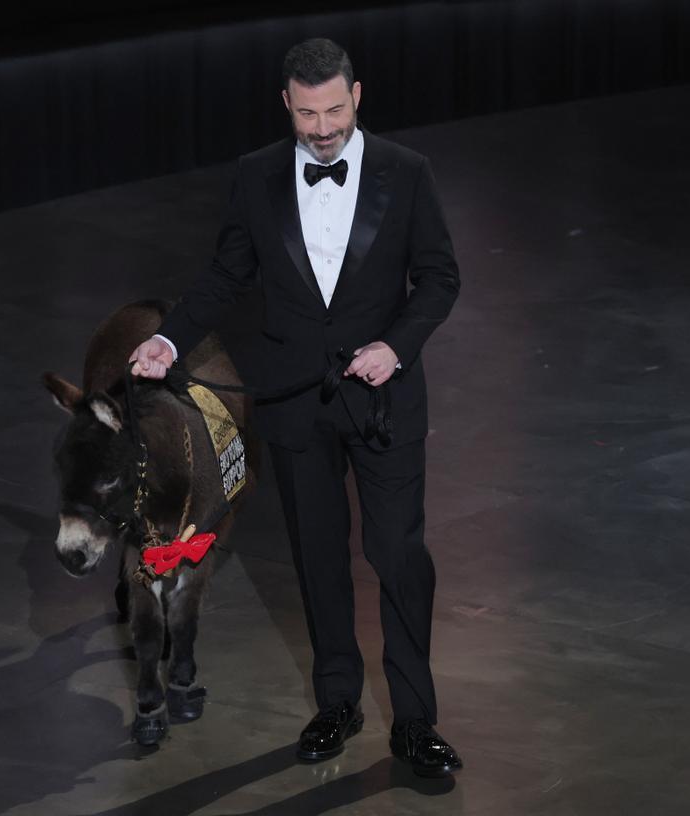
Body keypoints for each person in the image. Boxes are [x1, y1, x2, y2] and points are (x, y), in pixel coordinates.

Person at [128, 37, 462, 777]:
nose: (322, 128)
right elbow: (224, 276)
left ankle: (414, 722)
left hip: (384, 400)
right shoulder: (256, 178)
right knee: (317, 558)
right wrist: (168, 341)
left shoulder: (406, 174)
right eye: (308, 113)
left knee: (396, 554)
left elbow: (439, 278)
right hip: (294, 402)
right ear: (287, 104)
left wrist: (395, 347)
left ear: (358, 95)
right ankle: (337, 702)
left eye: (335, 109)